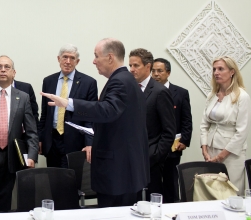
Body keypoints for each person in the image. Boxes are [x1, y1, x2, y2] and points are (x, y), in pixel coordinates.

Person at [41, 38, 149, 208]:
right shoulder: (127, 80)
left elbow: (107, 110)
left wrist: (68, 103)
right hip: (124, 168)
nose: (94, 61)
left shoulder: (119, 81)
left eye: (96, 56)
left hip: (117, 171)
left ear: (110, 58)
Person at [0, 56, 38, 212]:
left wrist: (31, 156)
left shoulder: (23, 97)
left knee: (4, 202)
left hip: (11, 156)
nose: (3, 70)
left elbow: (31, 130)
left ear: (14, 72)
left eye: (7, 67)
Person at [38, 44, 98, 168]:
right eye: (65, 57)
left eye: (72, 58)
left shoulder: (88, 83)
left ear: (77, 61)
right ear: (58, 59)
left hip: (75, 142)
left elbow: (91, 118)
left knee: (71, 181)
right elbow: (45, 114)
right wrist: (40, 138)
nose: (68, 61)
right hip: (52, 141)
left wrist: (89, 143)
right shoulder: (48, 81)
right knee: (53, 181)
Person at [200, 56, 251, 193]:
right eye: (214, 69)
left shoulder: (242, 96)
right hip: (211, 151)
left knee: (230, 191)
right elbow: (204, 125)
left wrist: (221, 156)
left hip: (231, 153)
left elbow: (242, 132)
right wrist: (204, 149)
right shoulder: (212, 95)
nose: (216, 72)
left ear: (232, 72)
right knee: (211, 192)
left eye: (221, 69)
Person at [129, 48, 175, 199]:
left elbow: (169, 131)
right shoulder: (129, 88)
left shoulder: (159, 92)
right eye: (130, 65)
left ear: (148, 67)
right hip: (130, 159)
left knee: (150, 205)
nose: (132, 69)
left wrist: (155, 156)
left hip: (151, 161)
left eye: (136, 66)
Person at [152, 58, 192, 203]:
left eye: (160, 71)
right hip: (153, 146)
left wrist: (185, 140)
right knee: (154, 183)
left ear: (168, 73)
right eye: (153, 71)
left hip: (173, 145)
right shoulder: (146, 92)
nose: (156, 74)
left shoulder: (180, 93)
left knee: (171, 181)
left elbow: (186, 119)